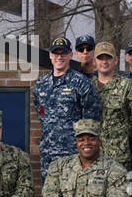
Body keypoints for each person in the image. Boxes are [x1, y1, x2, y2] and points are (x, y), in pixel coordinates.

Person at [33, 36, 101, 181]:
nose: (59, 57)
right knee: (50, 196)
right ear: (50, 56)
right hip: (48, 153)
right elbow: (41, 114)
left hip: (73, 153)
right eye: (56, 53)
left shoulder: (81, 83)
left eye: (63, 53)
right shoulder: (40, 85)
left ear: (70, 55)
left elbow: (91, 119)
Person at [91, 41, 132, 169]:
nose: (104, 62)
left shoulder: (128, 86)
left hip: (119, 157)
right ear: (94, 61)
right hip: (91, 156)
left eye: (108, 58)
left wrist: (120, 136)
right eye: (100, 58)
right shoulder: (86, 87)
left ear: (115, 60)